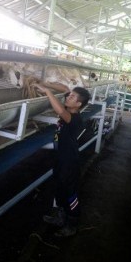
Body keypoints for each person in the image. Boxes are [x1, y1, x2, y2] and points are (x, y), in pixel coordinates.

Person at [34, 83, 91, 237]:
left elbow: (59, 110)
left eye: (72, 97)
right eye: (69, 95)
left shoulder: (74, 118)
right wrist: (42, 82)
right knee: (59, 189)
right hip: (60, 158)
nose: (68, 96)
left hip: (69, 162)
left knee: (70, 193)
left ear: (78, 104)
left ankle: (72, 224)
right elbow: (65, 88)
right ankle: (60, 217)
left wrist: (46, 91)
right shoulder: (70, 108)